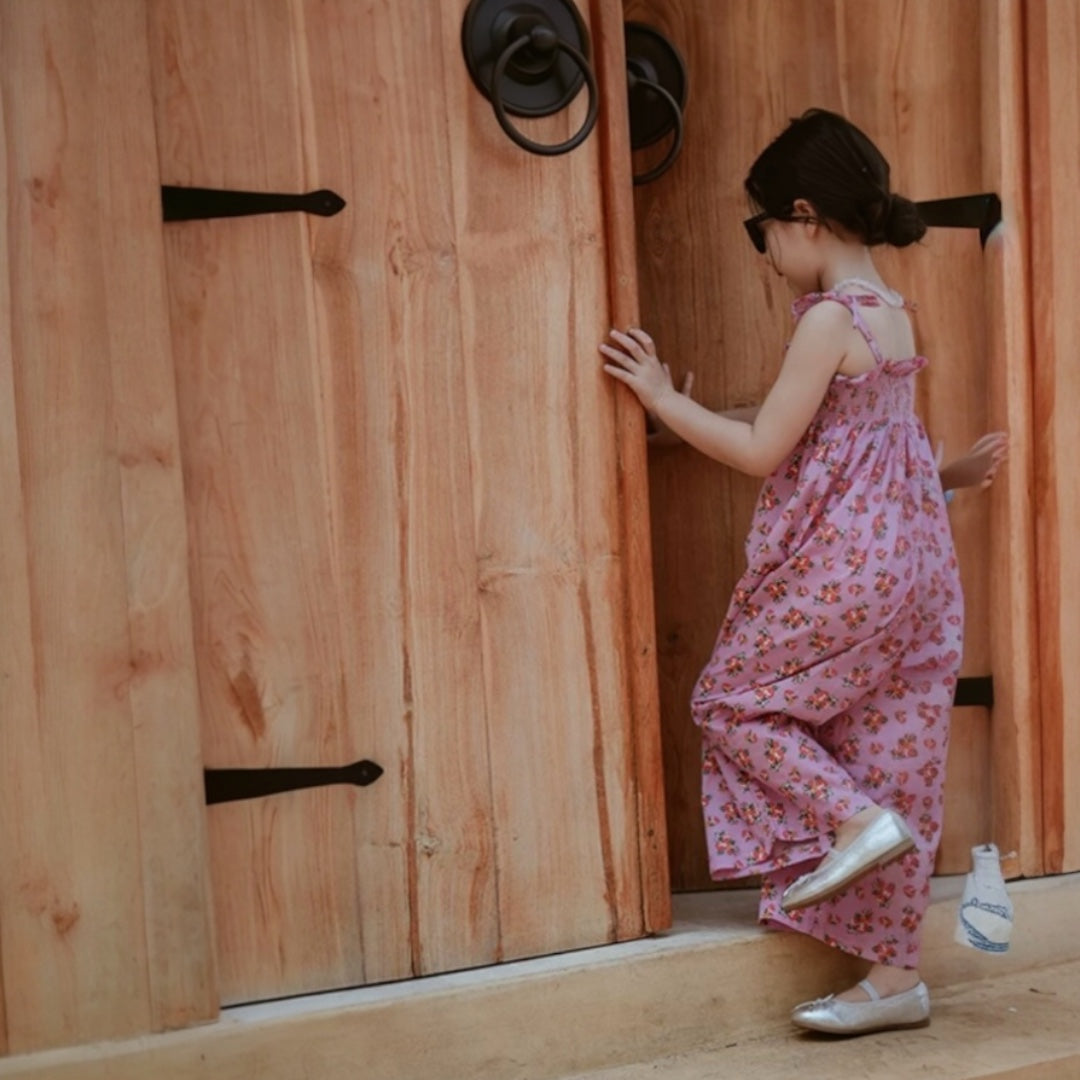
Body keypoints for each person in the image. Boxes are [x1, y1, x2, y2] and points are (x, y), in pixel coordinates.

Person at [600, 108, 1007, 1036]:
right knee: (895, 751)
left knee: (733, 703)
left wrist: (661, 398)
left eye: (762, 232)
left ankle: (848, 819)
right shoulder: (891, 309)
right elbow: (874, 441)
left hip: (843, 567)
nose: (765, 253)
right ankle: (894, 976)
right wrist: (947, 477)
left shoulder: (828, 319)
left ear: (804, 215)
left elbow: (761, 449)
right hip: (912, 568)